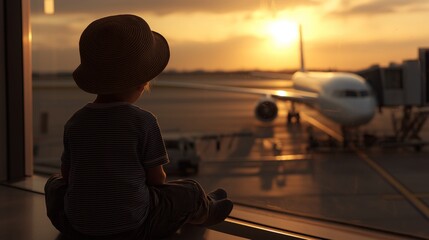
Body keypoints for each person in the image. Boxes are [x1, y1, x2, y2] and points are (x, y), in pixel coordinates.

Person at [44, 14, 233, 240]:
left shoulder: (75, 122)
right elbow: (157, 180)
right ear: (142, 82)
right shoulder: (143, 121)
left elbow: (67, 175)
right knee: (189, 189)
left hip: (77, 227)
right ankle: (204, 209)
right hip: (134, 228)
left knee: (53, 185)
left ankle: (204, 203)